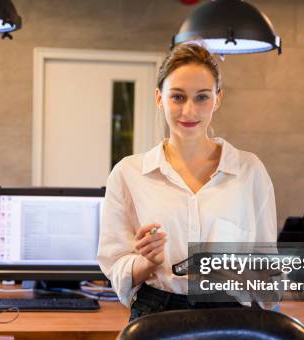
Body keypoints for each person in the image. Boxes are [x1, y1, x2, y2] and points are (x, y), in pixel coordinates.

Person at [97, 43, 277, 321]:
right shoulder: (128, 174)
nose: (189, 111)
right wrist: (147, 263)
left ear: (217, 99)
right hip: (155, 312)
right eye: (177, 97)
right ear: (159, 98)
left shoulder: (249, 171)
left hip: (230, 314)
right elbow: (114, 264)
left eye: (202, 97)